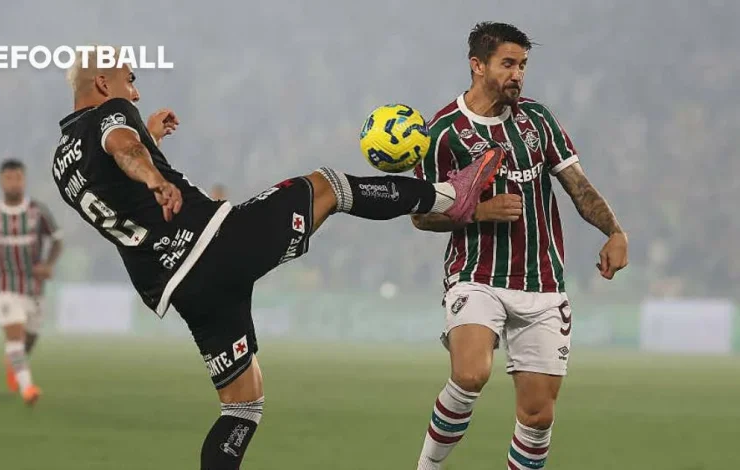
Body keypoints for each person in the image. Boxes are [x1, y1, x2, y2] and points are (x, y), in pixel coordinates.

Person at [51, 47, 504, 470]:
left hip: (178, 286)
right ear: (104, 85)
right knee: (328, 186)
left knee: (242, 405)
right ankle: (451, 196)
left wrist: (148, 140)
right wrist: (154, 175)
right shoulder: (113, 115)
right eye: (129, 81)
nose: (135, 91)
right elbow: (123, 148)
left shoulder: (61, 164)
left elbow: (115, 171)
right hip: (214, 244)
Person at [410, 22, 629, 470]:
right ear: (477, 65)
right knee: (470, 373)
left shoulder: (537, 120)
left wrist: (615, 231)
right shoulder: (442, 133)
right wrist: (477, 212)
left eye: (523, 65)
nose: (518, 75)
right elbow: (421, 215)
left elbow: (577, 186)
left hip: (542, 281)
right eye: (508, 64)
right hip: (477, 274)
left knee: (537, 414)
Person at [0, 158, 63, 406]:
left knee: (30, 337)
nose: (14, 182)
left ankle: (15, 364)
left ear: (25, 179)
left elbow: (57, 240)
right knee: (15, 337)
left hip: (34, 287)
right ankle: (28, 388)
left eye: (18, 177)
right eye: (9, 178)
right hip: (5, 285)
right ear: (1, 181)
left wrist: (48, 265)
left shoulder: (38, 211)